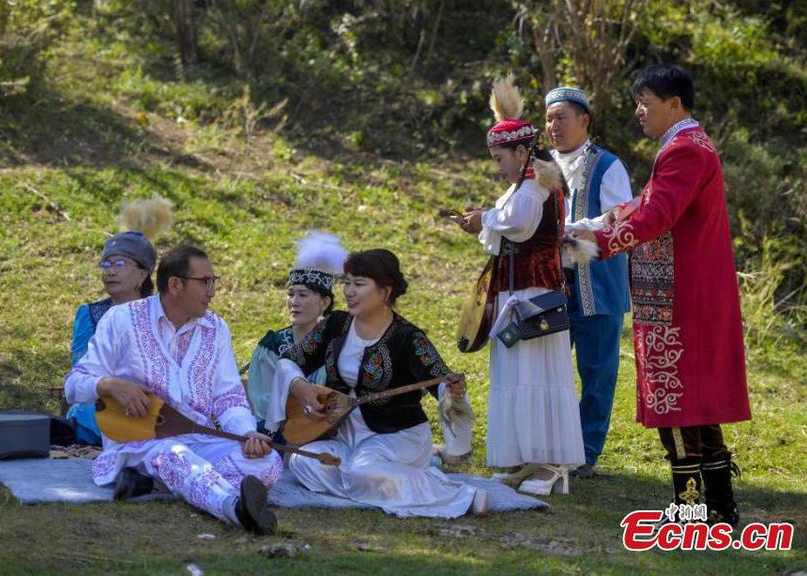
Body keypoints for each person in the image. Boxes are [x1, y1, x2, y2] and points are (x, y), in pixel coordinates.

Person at [572, 64, 750, 525]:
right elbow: (649, 204)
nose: (639, 110)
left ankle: (691, 509)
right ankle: (719, 507)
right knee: (691, 401)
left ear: (674, 104)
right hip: (679, 291)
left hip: (678, 297)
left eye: (646, 102)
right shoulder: (687, 145)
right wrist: (612, 217)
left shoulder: (685, 150)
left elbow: (660, 215)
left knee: (676, 400)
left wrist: (599, 244)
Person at [64, 245, 282, 534]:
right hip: (139, 441)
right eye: (205, 282)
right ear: (175, 285)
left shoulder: (216, 329)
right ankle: (235, 509)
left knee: (268, 463)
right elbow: (74, 385)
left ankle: (158, 481)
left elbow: (228, 396)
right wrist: (109, 385)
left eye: (213, 282)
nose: (212, 291)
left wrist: (246, 434)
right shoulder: (122, 320)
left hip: (199, 439)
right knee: (173, 455)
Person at [266, 248, 487, 517]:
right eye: (346, 282)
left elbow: (438, 377)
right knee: (303, 461)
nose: (349, 292)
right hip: (345, 434)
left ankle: (460, 495)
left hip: (396, 436)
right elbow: (290, 361)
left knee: (363, 470)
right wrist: (299, 386)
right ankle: (383, 485)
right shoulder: (335, 324)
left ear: (385, 292)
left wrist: (451, 391)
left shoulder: (407, 337)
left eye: (359, 284)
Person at [455, 74, 584, 496]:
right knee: (515, 376)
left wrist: (483, 220)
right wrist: (485, 218)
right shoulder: (524, 185)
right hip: (517, 293)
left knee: (537, 377)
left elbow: (519, 226)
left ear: (522, 150)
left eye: (500, 157)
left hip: (534, 296)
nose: (498, 166)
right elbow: (505, 222)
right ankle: (525, 462)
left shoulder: (534, 187)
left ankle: (550, 468)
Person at [544, 86, 632, 478]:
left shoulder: (608, 165)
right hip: (551, 285)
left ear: (584, 120)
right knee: (550, 369)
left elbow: (620, 218)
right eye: (548, 118)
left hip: (598, 284)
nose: (553, 125)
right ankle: (549, 445)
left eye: (561, 116)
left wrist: (570, 229)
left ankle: (586, 451)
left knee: (597, 371)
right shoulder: (540, 166)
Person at [67, 196, 172, 445]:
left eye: (120, 264)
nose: (110, 271)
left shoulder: (162, 314)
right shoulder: (89, 314)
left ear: (142, 274)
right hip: (102, 402)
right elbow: (82, 369)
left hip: (151, 403)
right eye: (106, 264)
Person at [246, 232, 345, 433]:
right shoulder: (273, 346)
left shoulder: (339, 343)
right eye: (291, 294)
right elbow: (262, 400)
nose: (294, 301)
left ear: (324, 303)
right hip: (280, 431)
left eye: (303, 295)